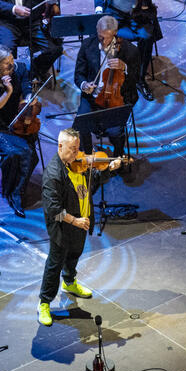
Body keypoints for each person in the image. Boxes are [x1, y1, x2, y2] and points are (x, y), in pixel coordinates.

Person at [37, 128, 122, 326]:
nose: (77, 154)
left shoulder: (78, 165)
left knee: (75, 253)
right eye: (72, 149)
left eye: (78, 149)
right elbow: (53, 210)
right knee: (55, 263)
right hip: (64, 226)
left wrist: (109, 168)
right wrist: (74, 221)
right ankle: (44, 303)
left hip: (81, 221)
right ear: (60, 146)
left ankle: (69, 282)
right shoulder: (53, 174)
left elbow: (92, 184)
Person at [0, 45, 40, 217]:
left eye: (12, 62)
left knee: (31, 156)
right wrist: (9, 91)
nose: (12, 67)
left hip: (15, 120)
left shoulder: (18, 69)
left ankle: (16, 187)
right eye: (7, 64)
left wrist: (29, 96)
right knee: (18, 153)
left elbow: (27, 85)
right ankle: (14, 193)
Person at [74, 15, 139, 156]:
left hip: (117, 99)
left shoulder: (129, 51)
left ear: (114, 33)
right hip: (92, 97)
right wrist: (84, 85)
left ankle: (118, 156)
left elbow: (136, 79)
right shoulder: (87, 45)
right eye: (99, 36)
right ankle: (87, 155)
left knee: (115, 131)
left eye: (106, 38)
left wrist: (125, 68)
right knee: (82, 123)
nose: (102, 41)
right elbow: (78, 74)